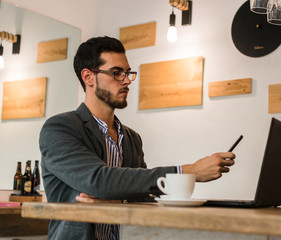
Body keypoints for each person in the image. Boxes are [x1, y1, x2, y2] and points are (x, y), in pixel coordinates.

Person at [39, 36, 235, 240]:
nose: (126, 80)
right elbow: (98, 180)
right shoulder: (60, 128)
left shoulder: (132, 137)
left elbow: (144, 193)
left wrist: (118, 202)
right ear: (88, 77)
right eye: (116, 73)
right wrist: (187, 171)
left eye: (127, 73)